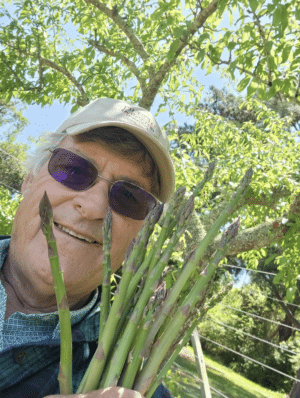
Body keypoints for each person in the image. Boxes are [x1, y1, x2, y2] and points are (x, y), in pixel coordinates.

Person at [0, 98, 175, 398]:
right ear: (29, 180)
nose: (94, 207)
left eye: (130, 197)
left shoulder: (134, 382)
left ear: (141, 235)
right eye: (73, 169)